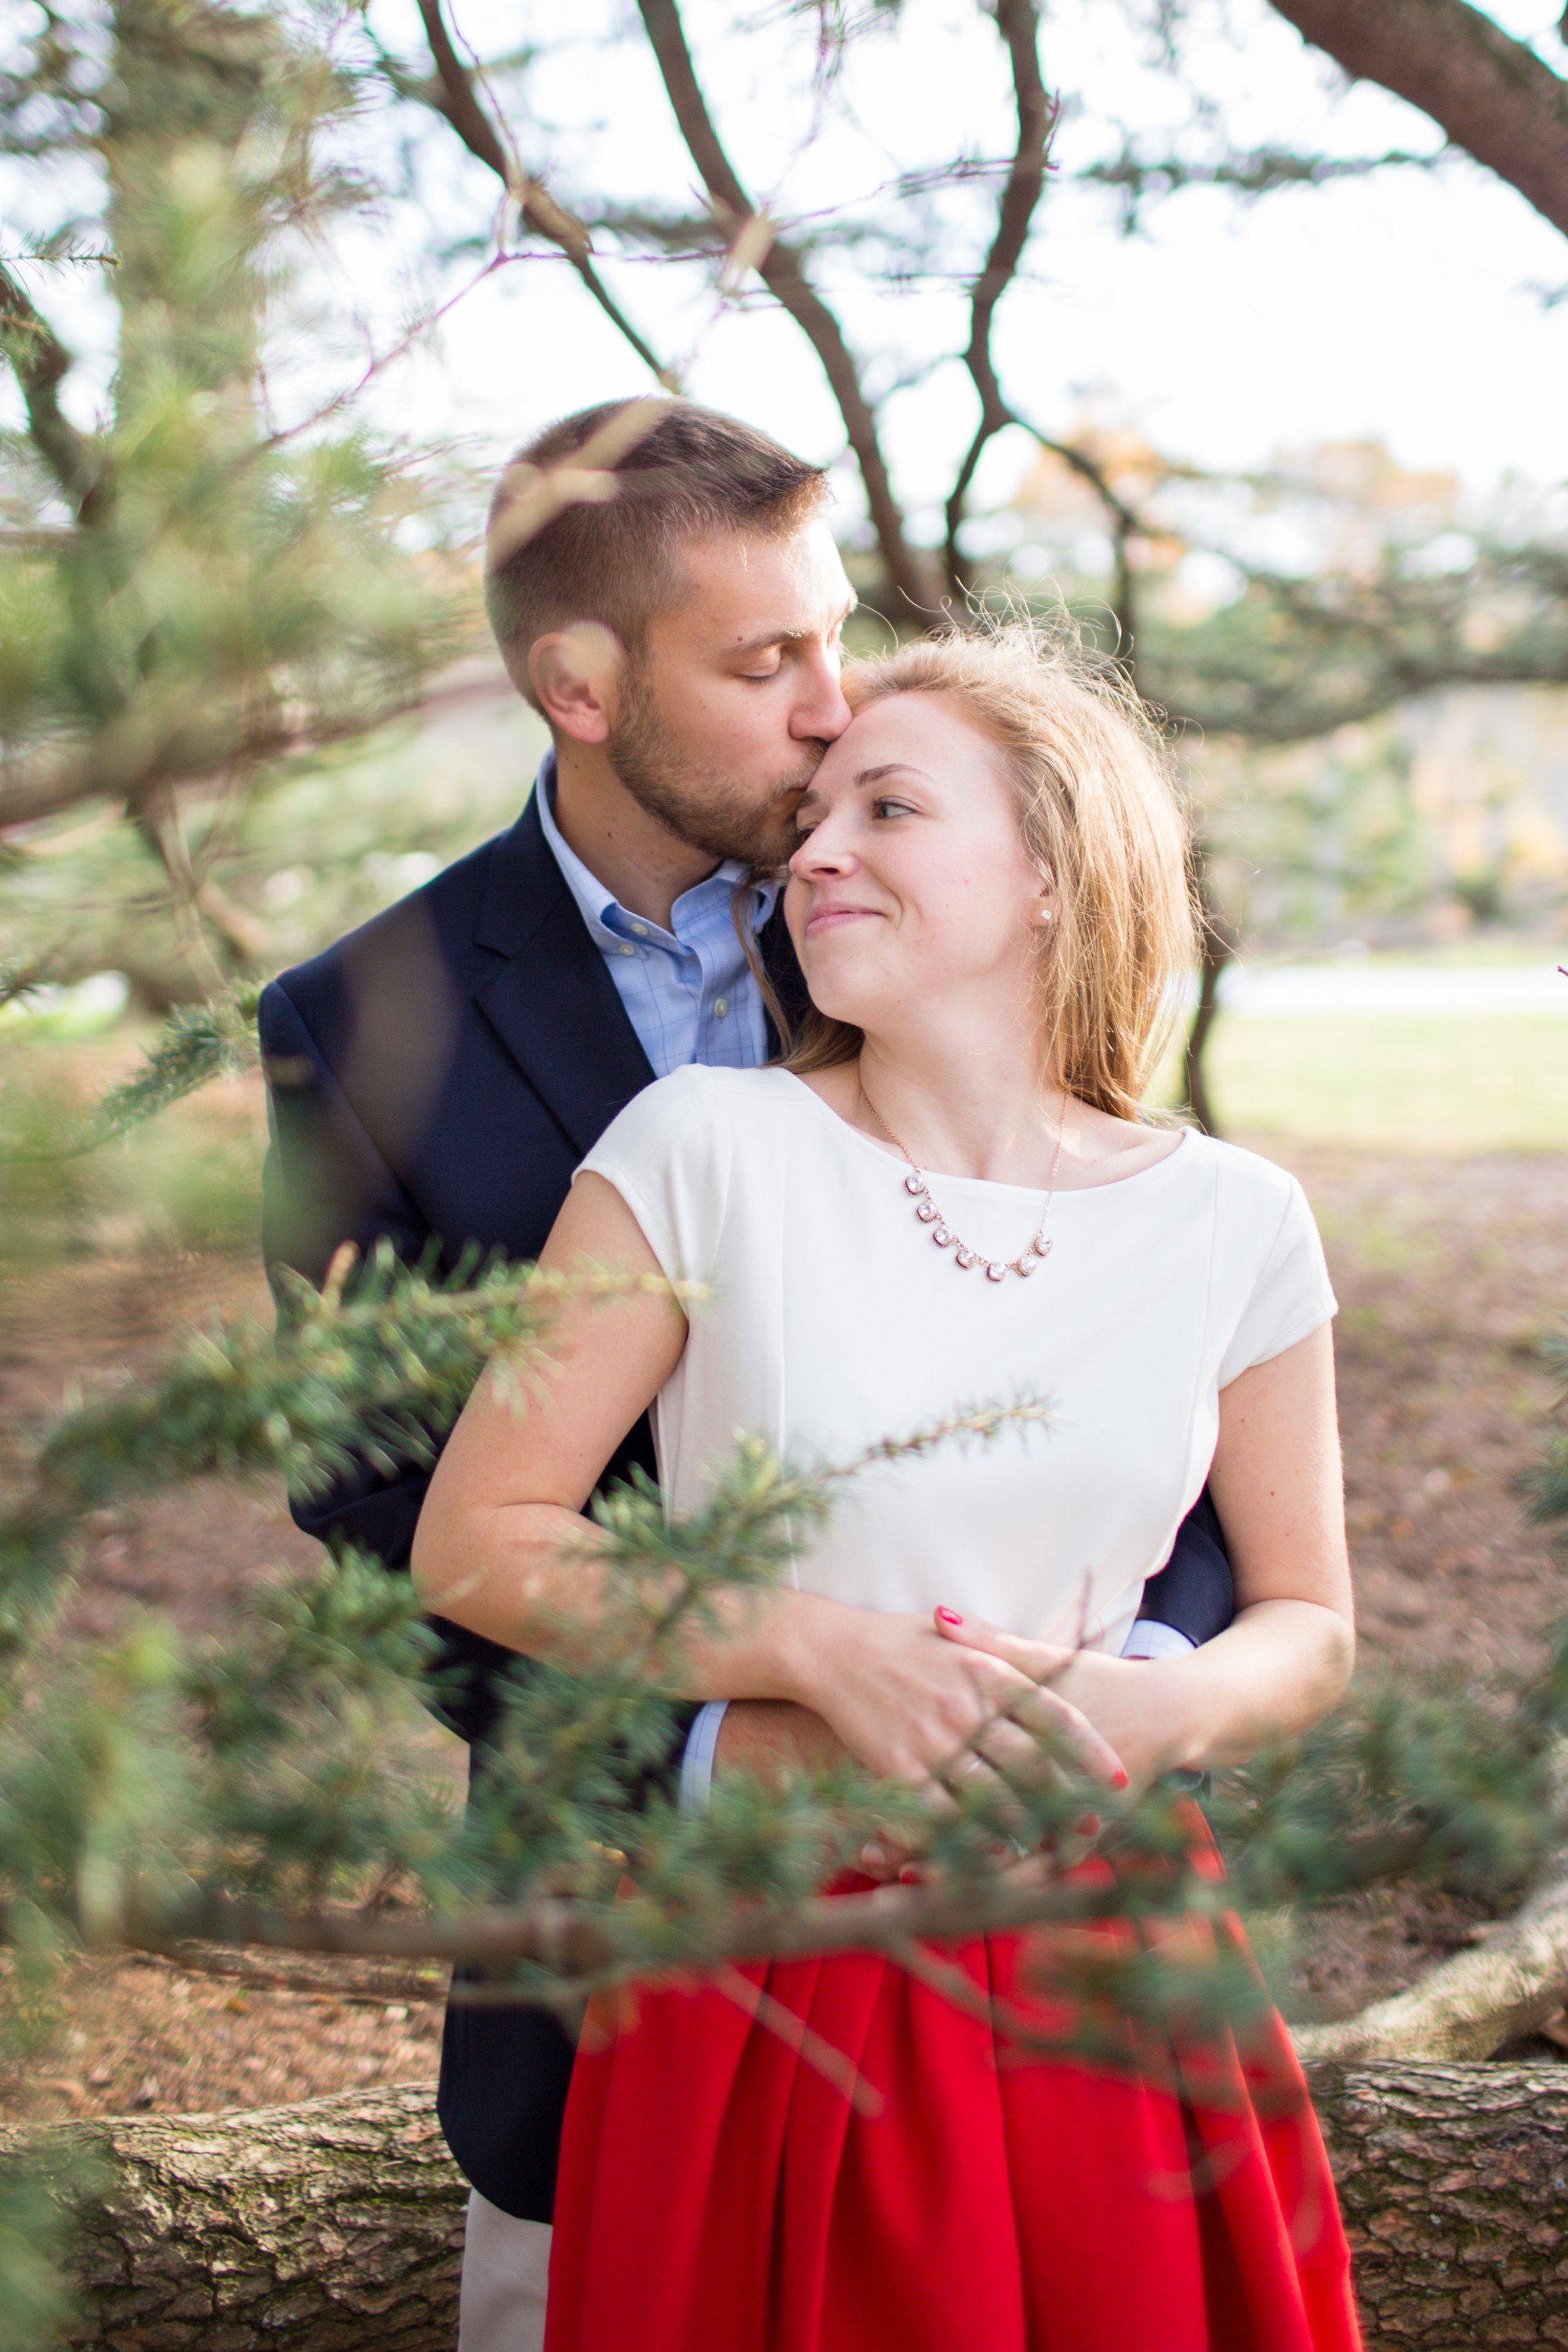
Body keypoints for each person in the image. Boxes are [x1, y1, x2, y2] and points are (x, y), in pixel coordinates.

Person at [258, 402, 1235, 2352]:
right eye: (764, 659)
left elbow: (1148, 1357)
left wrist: (1100, 1686)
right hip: (619, 1937)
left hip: (1038, 1929)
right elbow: (374, 1499)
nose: (830, 707)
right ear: (582, 686)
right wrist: (723, 1746)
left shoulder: (910, 921)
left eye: (835, 639)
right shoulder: (360, 1026)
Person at [412, 622, 1361, 2352]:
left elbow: (1305, 1622)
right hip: (761, 1962)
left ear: (1056, 874)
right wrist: (811, 1652)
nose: (814, 851)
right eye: (816, 817)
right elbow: (478, 1541)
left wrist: (1152, 1712)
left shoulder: (1236, 1219)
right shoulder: (702, 1149)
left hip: (1104, 1946)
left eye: (889, 809)